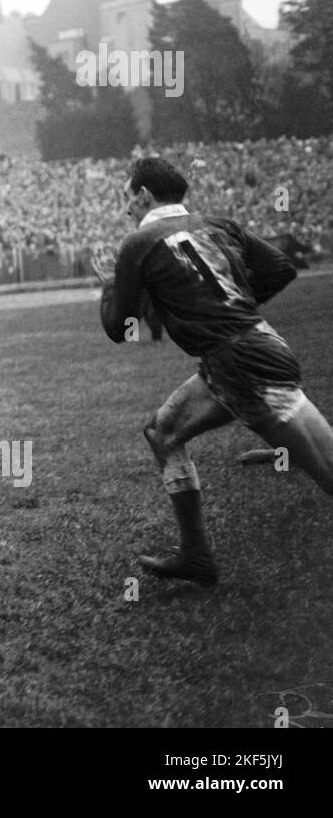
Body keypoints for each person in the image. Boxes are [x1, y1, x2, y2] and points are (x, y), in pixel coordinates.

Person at [95, 156, 333, 586]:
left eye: (127, 198)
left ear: (144, 195)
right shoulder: (220, 223)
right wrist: (232, 308)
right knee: (162, 432)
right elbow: (282, 268)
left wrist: (110, 284)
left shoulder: (138, 243)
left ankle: (199, 552)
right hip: (257, 348)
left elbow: (118, 328)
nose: (126, 208)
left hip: (240, 362)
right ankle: (196, 555)